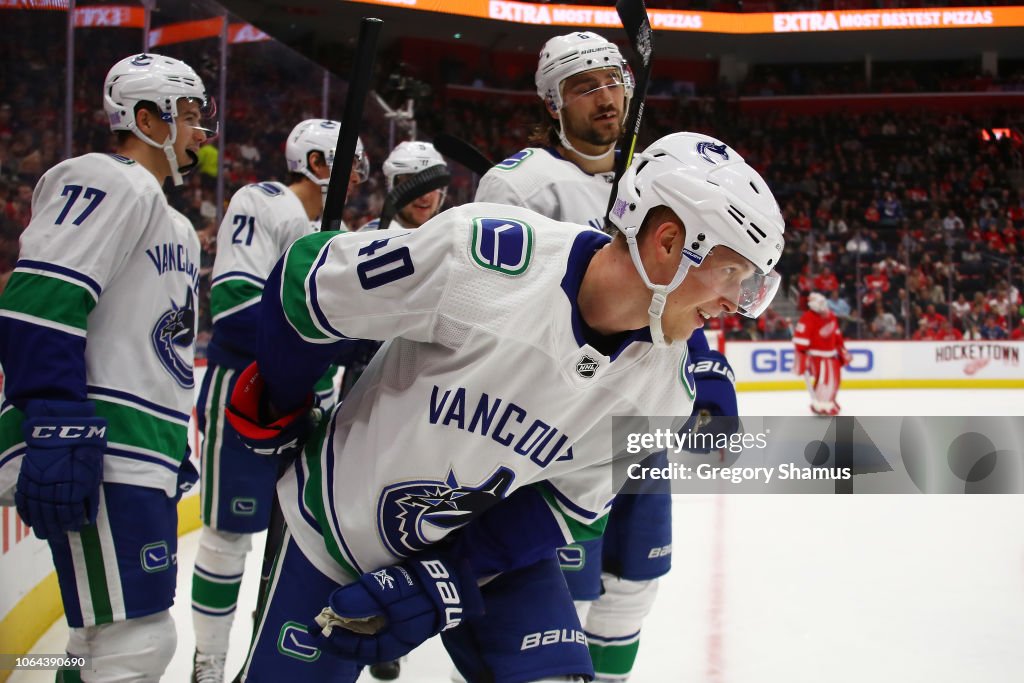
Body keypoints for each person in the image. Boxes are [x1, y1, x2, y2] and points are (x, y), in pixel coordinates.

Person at [225, 131, 784, 683]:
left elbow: (560, 507)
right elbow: (305, 280)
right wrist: (282, 398)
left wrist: (444, 580)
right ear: (667, 242)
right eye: (732, 273)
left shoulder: (668, 390)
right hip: (333, 523)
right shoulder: (484, 258)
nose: (736, 303)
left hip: (484, 546)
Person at [475, 32, 739, 682]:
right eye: (582, 85)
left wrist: (706, 370)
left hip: (641, 422)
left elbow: (689, 283)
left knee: (632, 584)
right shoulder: (520, 186)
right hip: (551, 430)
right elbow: (486, 309)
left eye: (611, 79)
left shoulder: (665, 182)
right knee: (551, 601)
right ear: (550, 103)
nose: (604, 95)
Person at [0, 53, 212, 680]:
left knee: (101, 635)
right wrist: (57, 416)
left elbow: (149, 340)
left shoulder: (168, 215)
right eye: (191, 115)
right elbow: (41, 298)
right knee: (135, 639)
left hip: (136, 444)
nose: (201, 131)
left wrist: (171, 442)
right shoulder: (109, 178)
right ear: (147, 118)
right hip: (100, 439)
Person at [189, 118, 369, 683]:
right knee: (226, 537)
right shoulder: (265, 202)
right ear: (319, 164)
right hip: (247, 389)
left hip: (307, 400)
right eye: (350, 162)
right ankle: (210, 663)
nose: (360, 174)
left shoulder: (334, 234)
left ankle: (262, 660)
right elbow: (237, 308)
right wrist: (337, 339)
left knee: (302, 540)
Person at [474, 31, 631, 231]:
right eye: (586, 90)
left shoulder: (650, 174)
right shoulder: (517, 188)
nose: (606, 100)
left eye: (612, 84)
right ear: (552, 104)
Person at [794, 292, 850, 415]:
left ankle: (830, 401)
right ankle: (823, 405)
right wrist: (802, 355)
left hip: (830, 355)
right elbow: (800, 340)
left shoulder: (831, 316)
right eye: (821, 303)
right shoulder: (808, 318)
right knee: (825, 380)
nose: (824, 306)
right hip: (817, 356)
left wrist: (842, 350)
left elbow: (836, 335)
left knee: (834, 380)